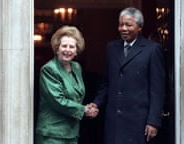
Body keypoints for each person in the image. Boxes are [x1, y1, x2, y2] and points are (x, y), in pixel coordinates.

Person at [88, 7, 165, 144]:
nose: (123, 28)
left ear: (139, 27)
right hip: (114, 122)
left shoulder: (152, 49)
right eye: (121, 24)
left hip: (139, 122)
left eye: (128, 25)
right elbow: (106, 82)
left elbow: (157, 90)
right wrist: (96, 103)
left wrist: (153, 121)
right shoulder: (111, 48)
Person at [35, 25, 96, 144]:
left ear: (76, 50)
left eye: (72, 46)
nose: (67, 50)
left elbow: (77, 95)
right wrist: (84, 110)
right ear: (57, 48)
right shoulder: (49, 69)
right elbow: (58, 101)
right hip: (52, 134)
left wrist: (90, 108)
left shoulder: (76, 67)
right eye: (64, 46)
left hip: (71, 132)